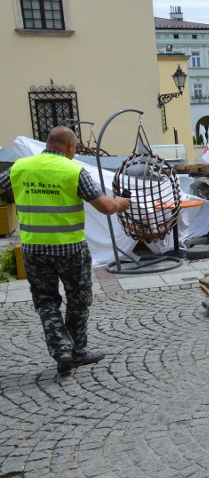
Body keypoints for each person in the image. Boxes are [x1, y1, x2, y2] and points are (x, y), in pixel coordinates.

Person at [0, 126, 132, 373]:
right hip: (70, 248)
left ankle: (61, 350)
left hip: (34, 250)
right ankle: (77, 352)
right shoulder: (74, 170)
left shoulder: (20, 167)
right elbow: (105, 207)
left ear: (47, 144)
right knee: (78, 300)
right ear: (71, 146)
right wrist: (121, 203)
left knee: (46, 301)